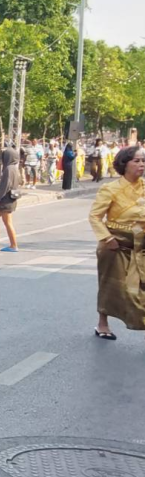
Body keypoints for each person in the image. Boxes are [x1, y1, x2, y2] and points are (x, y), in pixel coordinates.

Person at [90, 145, 145, 340]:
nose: (141, 165)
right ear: (125, 164)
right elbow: (95, 217)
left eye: (143, 161)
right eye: (136, 161)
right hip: (115, 246)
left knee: (140, 290)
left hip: (141, 246)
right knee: (110, 286)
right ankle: (102, 323)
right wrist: (108, 238)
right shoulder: (110, 189)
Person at [0, 148, 22, 253]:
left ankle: (13, 245)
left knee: (7, 222)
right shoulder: (15, 168)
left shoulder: (8, 169)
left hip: (4, 200)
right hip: (9, 199)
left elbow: (5, 185)